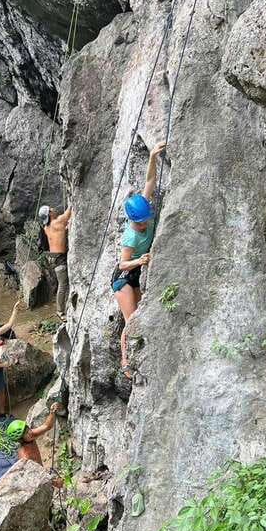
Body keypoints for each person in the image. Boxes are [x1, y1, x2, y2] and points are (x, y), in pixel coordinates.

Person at [111, 140, 167, 379]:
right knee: (130, 318)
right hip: (123, 277)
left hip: (136, 272)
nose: (147, 222)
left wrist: (153, 157)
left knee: (141, 314)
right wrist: (141, 261)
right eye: (143, 220)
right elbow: (122, 264)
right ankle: (124, 361)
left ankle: (140, 351)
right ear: (135, 219)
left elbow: (149, 182)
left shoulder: (142, 207)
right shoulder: (130, 235)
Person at [6, 402, 63, 487]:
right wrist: (53, 482)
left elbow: (46, 426)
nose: (30, 432)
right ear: (21, 440)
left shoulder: (30, 437)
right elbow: (34, 478)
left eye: (28, 429)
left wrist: (52, 412)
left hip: (41, 471)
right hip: (35, 479)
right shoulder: (26, 456)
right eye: (26, 433)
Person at [39, 205, 72, 319]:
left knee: (62, 284)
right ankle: (60, 311)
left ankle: (62, 308)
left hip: (53, 258)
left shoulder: (46, 227)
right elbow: (70, 211)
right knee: (63, 285)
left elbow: (58, 233)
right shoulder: (58, 222)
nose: (53, 209)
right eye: (51, 209)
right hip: (59, 258)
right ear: (49, 214)